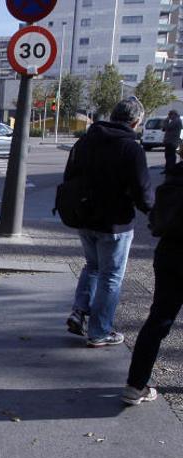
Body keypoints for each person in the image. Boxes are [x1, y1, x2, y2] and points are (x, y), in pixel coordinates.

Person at [64, 96, 153, 347]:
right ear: (135, 122)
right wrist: (156, 216)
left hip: (83, 218)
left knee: (91, 266)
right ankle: (99, 331)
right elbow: (142, 190)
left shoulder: (85, 141)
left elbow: (69, 177)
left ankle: (79, 311)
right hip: (115, 223)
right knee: (111, 276)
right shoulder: (131, 148)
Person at [123, 145, 183, 405]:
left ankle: (135, 385)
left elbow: (157, 220)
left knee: (158, 320)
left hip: (171, 254)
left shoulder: (174, 177)